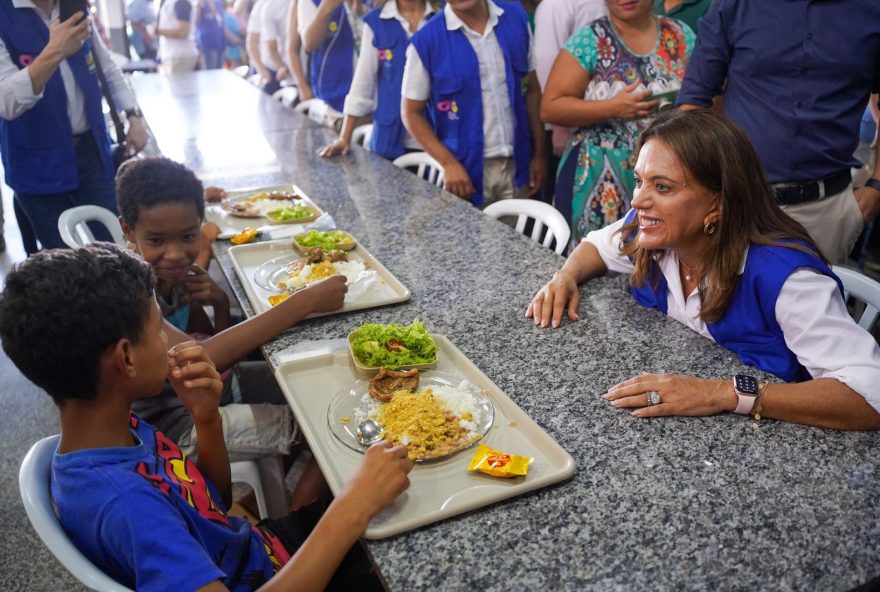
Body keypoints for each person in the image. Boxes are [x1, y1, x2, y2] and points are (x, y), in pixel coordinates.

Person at [0, 242, 413, 591]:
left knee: (402, 503)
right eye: (159, 328)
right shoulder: (125, 504)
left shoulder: (111, 429)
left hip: (259, 550)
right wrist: (352, 508)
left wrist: (207, 419)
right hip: (272, 577)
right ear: (125, 357)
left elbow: (212, 505)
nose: (169, 340)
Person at [527, 110, 880, 431]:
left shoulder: (788, 279)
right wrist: (565, 276)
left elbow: (869, 396)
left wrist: (723, 393)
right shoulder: (652, 230)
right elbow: (598, 245)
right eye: (639, 180)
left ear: (718, 203)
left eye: (662, 187)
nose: (637, 201)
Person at [676, 0, 880, 264]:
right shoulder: (736, 5)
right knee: (724, 303)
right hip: (736, 202)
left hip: (827, 210)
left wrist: (877, 186)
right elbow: (693, 104)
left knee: (816, 304)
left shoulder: (871, 9)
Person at [541, 0, 694, 242]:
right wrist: (612, 108)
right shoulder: (591, 40)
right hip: (597, 175)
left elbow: (708, 94)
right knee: (596, 265)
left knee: (656, 264)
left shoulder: (680, 34)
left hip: (666, 175)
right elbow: (550, 107)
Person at [0, 4, 148, 252]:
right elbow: (6, 102)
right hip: (36, 161)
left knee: (114, 245)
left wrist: (133, 116)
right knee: (62, 258)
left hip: (93, 150)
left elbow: (105, 65)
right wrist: (55, 50)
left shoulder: (73, 6)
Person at [401, 0, 546, 208]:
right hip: (465, 174)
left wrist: (539, 154)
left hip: (518, 167)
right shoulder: (426, 42)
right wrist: (448, 163)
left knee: (519, 238)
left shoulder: (515, 17)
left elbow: (533, 89)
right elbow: (411, 113)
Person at [318, 0, 437, 160]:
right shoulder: (376, 21)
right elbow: (363, 82)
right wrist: (344, 138)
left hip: (434, 137)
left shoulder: (440, 19)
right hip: (388, 137)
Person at [533, 0, 605, 204]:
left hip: (600, 125)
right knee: (565, 199)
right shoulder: (555, 5)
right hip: (566, 125)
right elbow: (546, 64)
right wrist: (559, 127)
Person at [298, 0, 362, 118]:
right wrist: (327, 7)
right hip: (334, 101)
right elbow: (310, 43)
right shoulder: (310, 2)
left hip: (371, 97)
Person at [157, 0, 200, 73]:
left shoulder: (181, 2)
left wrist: (156, 31)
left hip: (180, 57)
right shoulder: (169, 3)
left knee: (180, 84)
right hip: (171, 54)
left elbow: (182, 32)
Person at [197, 0, 227, 69]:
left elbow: (220, 20)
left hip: (220, 42)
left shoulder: (217, 3)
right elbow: (196, 21)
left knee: (219, 69)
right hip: (207, 43)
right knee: (210, 68)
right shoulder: (200, 5)